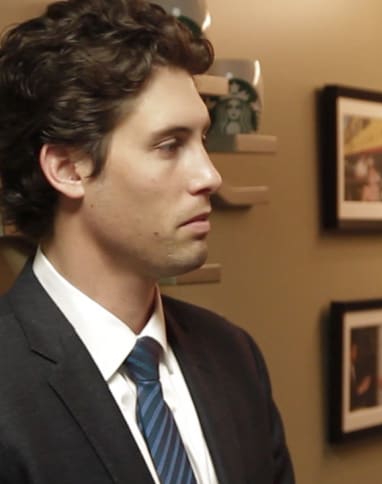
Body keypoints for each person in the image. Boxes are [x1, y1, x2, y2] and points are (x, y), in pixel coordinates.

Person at [0, 1, 295, 482]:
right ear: (68, 168)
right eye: (169, 145)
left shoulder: (233, 356)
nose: (210, 176)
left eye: (202, 140)